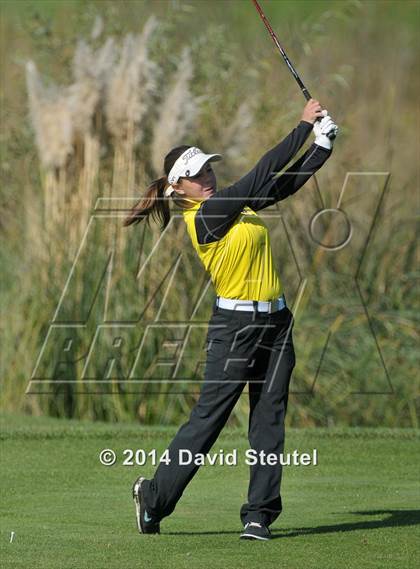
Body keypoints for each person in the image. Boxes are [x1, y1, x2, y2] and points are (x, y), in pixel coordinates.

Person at [123, 98, 338, 541]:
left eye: (209, 169)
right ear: (180, 186)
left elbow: (281, 184)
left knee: (269, 418)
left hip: (276, 325)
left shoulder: (228, 204)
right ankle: (155, 499)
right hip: (235, 330)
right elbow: (261, 172)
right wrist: (302, 128)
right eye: (199, 173)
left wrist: (322, 148)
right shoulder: (206, 215)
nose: (209, 176)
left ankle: (259, 514)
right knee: (210, 419)